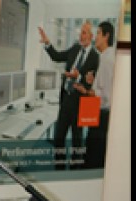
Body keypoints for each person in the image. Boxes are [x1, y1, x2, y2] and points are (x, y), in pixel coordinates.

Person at [38, 21, 99, 170]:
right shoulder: (75, 48)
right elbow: (57, 56)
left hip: (80, 104)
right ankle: (59, 169)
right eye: (81, 32)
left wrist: (78, 77)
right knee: (59, 138)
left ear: (91, 36)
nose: (81, 35)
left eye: (84, 33)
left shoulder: (95, 57)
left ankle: (73, 172)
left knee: (77, 142)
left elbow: (93, 85)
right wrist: (47, 43)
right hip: (66, 100)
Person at [76, 21, 115, 169]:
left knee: (92, 159)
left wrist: (86, 91)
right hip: (100, 115)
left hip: (102, 116)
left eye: (98, 33)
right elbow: (104, 85)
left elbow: (105, 96)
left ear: (106, 36)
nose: (95, 38)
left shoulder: (106, 60)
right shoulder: (106, 56)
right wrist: (93, 82)